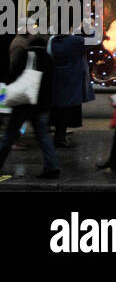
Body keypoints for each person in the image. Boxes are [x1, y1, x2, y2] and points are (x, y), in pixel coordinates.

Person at [0, 28, 59, 178]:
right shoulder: (48, 57)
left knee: (10, 135)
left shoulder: (25, 55)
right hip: (42, 104)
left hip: (24, 103)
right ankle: (52, 167)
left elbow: (13, 75)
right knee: (43, 136)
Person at [48, 27, 95, 149]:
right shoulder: (74, 41)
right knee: (66, 110)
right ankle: (60, 137)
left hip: (57, 79)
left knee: (59, 109)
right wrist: (89, 27)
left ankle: (59, 134)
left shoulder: (52, 41)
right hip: (71, 79)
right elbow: (94, 40)